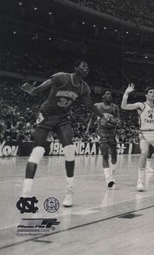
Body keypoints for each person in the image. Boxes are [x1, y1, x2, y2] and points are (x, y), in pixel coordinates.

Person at [20, 60, 110, 207]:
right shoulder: (61, 77)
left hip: (62, 119)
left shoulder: (83, 87)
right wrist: (29, 88)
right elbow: (37, 91)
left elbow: (89, 105)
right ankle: (26, 192)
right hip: (46, 115)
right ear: (76, 68)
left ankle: (69, 194)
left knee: (70, 150)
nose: (87, 68)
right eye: (84, 65)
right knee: (37, 151)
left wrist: (102, 115)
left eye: (88, 66)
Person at [87, 90, 121, 189]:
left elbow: (119, 120)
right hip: (102, 133)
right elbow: (92, 118)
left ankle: (112, 174)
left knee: (114, 157)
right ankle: (108, 179)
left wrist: (115, 121)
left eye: (110, 94)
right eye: (106, 94)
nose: (109, 95)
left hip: (113, 134)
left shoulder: (115, 107)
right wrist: (88, 130)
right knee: (105, 155)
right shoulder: (97, 106)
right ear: (103, 96)